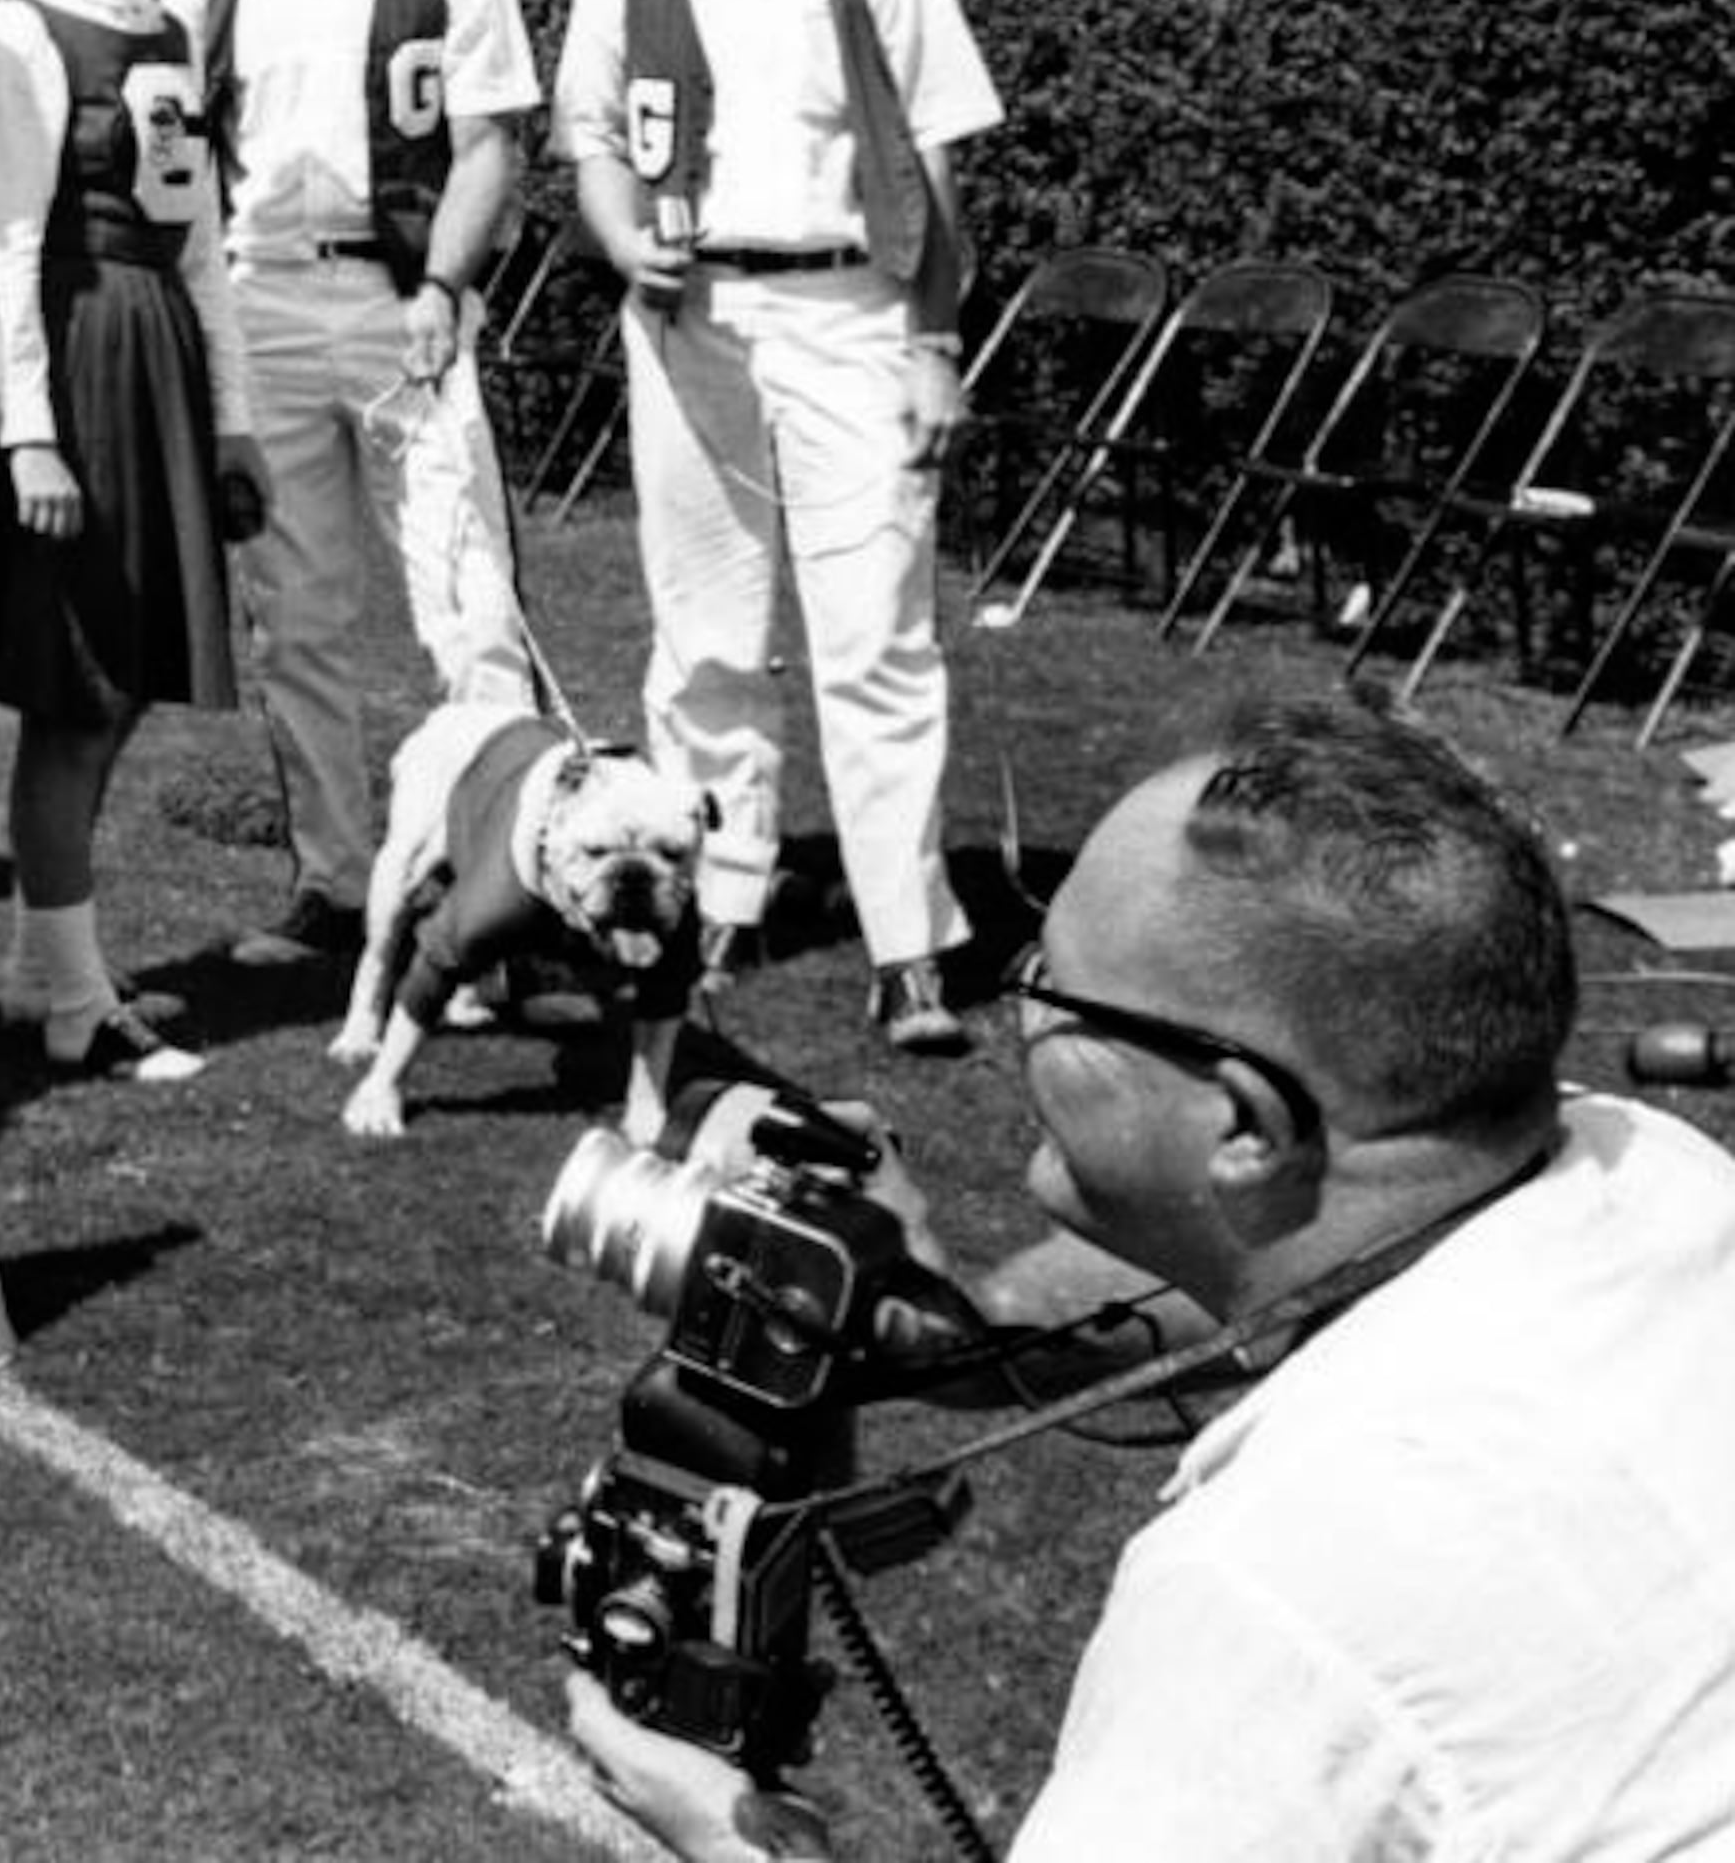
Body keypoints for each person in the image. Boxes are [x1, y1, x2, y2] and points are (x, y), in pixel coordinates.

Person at [572, 698, 1735, 1859]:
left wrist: (733, 1840)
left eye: (1052, 986)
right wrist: (970, 1332)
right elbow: (1270, 1280)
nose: (1016, 1006)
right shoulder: (1650, 1174)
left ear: (1245, 1124)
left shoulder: (1268, 1599)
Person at [554, 0, 997, 1056]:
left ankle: (909, 939)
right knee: (706, 641)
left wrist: (934, 340)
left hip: (850, 304)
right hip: (692, 316)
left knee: (876, 634)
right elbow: (592, 138)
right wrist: (626, 241)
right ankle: (720, 894)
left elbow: (936, 148)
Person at [161, 0, 542, 970]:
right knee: (300, 611)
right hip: (259, 300)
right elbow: (182, 161)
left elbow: (493, 143)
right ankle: (333, 881)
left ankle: (501, 890)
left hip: (400, 301)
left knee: (468, 598)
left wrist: (442, 285)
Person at [0, 0, 269, 1082]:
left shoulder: (167, 24)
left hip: (162, 361)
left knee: (125, 680)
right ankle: (75, 996)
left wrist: (236, 412)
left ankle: (48, 967)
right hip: (80, 362)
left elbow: (198, 234)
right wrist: (29, 429)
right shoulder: (14, 33)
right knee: (76, 690)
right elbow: (3, 248)